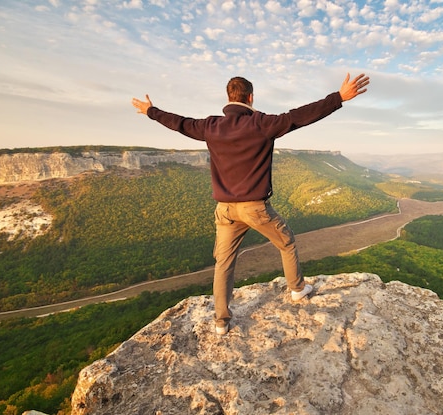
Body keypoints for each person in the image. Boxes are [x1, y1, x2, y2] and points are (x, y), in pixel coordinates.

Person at [132, 72, 370, 335]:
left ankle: (221, 321)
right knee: (287, 241)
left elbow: (180, 123)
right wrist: (339, 98)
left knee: (224, 262)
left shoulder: (211, 126)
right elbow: (300, 116)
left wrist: (151, 111)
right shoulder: (261, 124)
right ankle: (297, 289)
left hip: (225, 210)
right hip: (255, 208)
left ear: (228, 98)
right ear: (251, 97)